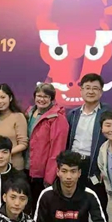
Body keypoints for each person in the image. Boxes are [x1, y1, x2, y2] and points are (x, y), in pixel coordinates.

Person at [66, 74, 110, 213]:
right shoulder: (72, 114)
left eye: (95, 88)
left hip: (95, 165)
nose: (91, 91)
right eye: (87, 88)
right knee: (75, 207)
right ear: (81, 91)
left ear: (101, 92)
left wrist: (105, 168)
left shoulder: (108, 114)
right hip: (74, 163)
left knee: (99, 206)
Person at [25, 82, 69, 214]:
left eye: (46, 96)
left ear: (52, 99)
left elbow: (57, 150)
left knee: (41, 211)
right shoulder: (29, 113)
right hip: (26, 170)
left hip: (42, 174)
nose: (42, 99)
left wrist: (49, 178)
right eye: (39, 96)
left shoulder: (58, 118)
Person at [0, 84, 28, 170]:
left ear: (10, 98)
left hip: (14, 167)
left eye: (3, 97)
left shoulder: (18, 117)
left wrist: (5, 154)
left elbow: (23, 144)